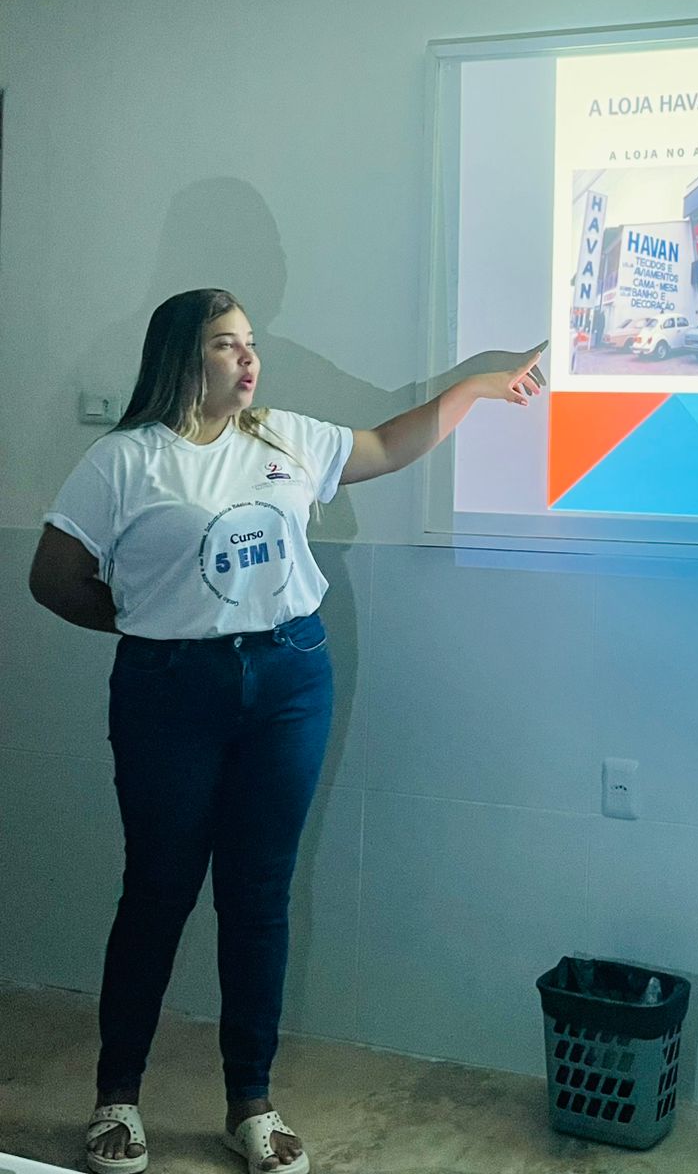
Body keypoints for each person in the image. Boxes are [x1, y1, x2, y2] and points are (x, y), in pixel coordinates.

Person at [28, 290, 546, 1174]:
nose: (247, 358)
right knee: (156, 892)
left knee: (259, 896)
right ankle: (117, 1098)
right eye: (225, 345)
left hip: (290, 681)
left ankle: (252, 1104)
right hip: (168, 694)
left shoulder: (284, 437)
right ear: (182, 358)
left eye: (250, 343)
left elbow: (386, 445)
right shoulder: (123, 460)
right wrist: (156, 623)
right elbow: (54, 578)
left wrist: (476, 390)